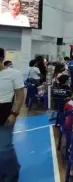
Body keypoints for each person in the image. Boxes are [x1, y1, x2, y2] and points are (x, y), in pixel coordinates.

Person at [0, 47, 25, 181]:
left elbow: (20, 96)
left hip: (5, 113)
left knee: (4, 147)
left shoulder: (13, 74)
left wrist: (14, 113)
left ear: (1, 59)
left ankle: (12, 174)